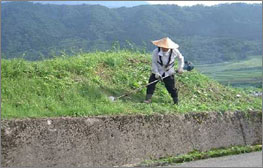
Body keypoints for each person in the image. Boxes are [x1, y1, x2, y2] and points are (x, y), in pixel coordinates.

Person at [144, 37, 184, 105]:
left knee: (171, 87)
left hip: (169, 71)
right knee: (151, 84)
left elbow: (181, 58)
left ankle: (176, 101)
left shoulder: (174, 51)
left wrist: (180, 68)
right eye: (163, 47)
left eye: (166, 47)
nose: (164, 48)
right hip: (158, 70)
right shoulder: (156, 52)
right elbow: (154, 63)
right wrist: (156, 72)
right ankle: (148, 99)